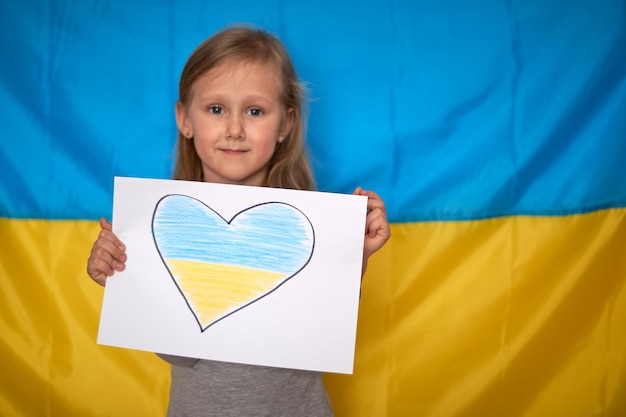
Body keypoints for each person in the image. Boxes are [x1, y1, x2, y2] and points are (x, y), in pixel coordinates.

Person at [87, 25, 391, 417]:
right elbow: (177, 354)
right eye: (216, 109)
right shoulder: (162, 227)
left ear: (285, 124)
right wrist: (121, 277)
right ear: (185, 119)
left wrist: (355, 257)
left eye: (255, 111)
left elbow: (316, 338)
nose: (234, 129)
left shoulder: (312, 230)